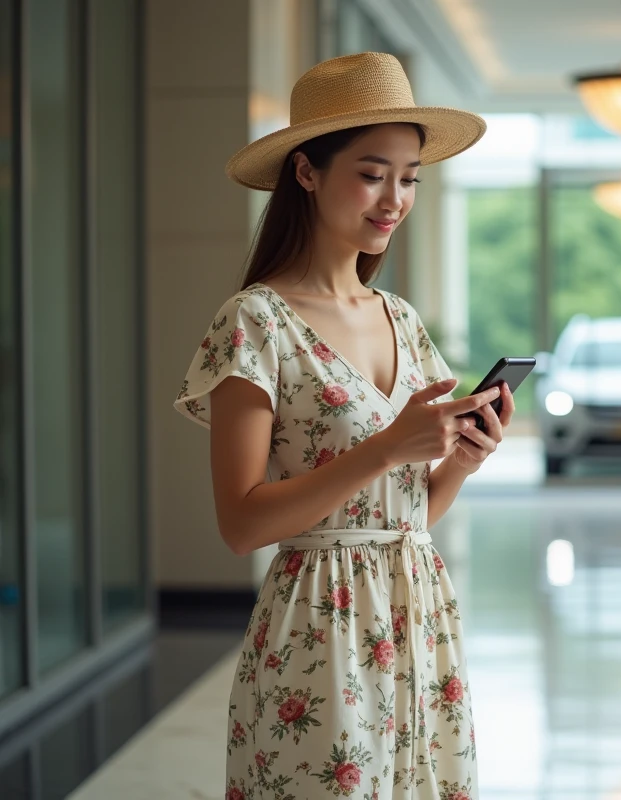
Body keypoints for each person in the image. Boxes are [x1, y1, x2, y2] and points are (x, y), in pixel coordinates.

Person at [174, 53, 499, 799]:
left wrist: (458, 462)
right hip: (318, 636)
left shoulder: (403, 320)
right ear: (307, 172)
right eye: (373, 172)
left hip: (419, 622)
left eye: (411, 176)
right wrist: (387, 448)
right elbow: (241, 524)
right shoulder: (256, 322)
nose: (395, 198)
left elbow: (403, 517)